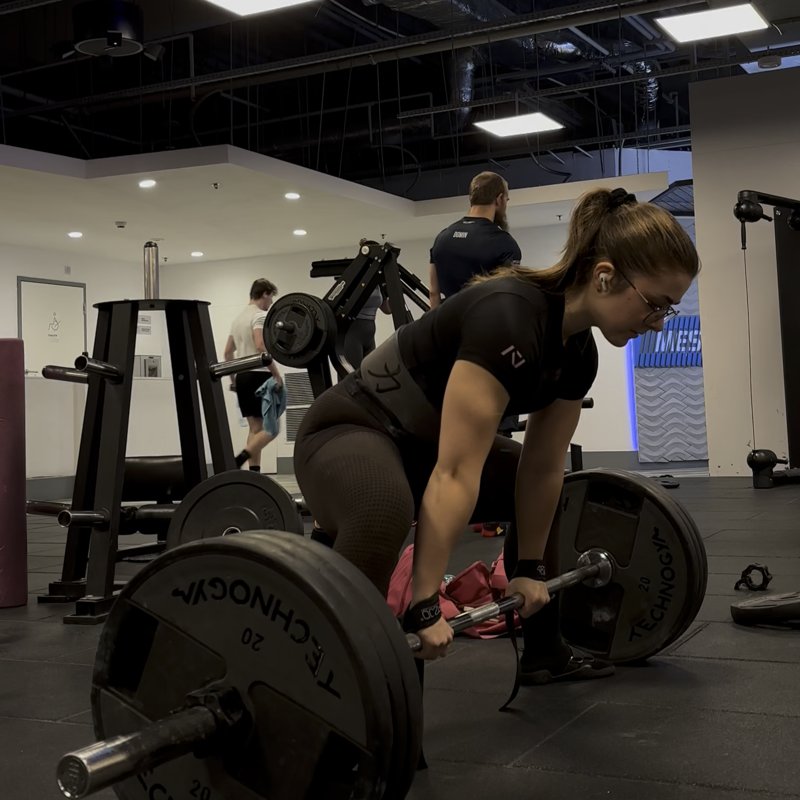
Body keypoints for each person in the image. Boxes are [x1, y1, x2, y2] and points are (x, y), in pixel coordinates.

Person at [294, 188, 699, 683]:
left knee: (549, 493)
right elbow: (457, 470)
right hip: (351, 430)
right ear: (605, 276)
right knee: (383, 510)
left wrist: (529, 568)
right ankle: (322, 676)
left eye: (668, 311)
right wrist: (423, 603)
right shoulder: (508, 316)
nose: (657, 323)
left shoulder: (579, 355)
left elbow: (543, 465)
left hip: (422, 446)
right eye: (656, 305)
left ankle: (545, 649)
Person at [428, 171, 522, 309]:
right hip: (485, 327)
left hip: (448, 326)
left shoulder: (442, 237)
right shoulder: (504, 243)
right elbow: (508, 296)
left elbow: (433, 293)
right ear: (499, 199)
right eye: (506, 200)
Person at [224, 278, 283, 471]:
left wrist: (233, 381)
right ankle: (241, 457)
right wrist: (275, 374)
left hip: (242, 377)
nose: (271, 303)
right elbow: (260, 346)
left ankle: (254, 474)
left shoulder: (237, 319)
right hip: (259, 375)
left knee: (255, 429)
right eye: (271, 297)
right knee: (271, 429)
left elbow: (227, 352)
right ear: (264, 294)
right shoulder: (259, 316)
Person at [342, 284, 391, 370]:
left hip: (369, 337)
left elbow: (387, 309)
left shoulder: (377, 281)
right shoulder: (354, 279)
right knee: (353, 375)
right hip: (353, 335)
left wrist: (396, 293)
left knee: (371, 374)